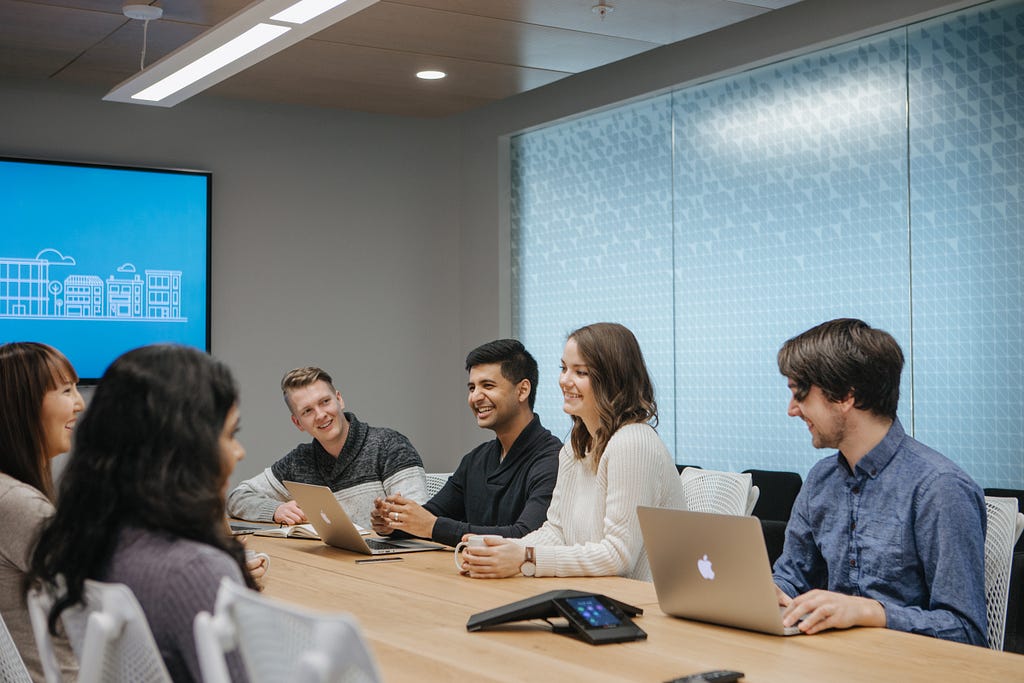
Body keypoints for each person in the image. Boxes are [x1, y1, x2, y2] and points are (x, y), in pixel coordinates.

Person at [28, 344, 258, 682]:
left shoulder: (77, 545)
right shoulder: (193, 571)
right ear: (185, 448)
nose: (240, 452)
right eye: (230, 434)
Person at [772, 318, 987, 646]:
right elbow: (792, 578)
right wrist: (767, 593)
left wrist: (872, 612)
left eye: (800, 394)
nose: (792, 410)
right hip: (828, 661)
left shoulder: (939, 489)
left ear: (845, 395)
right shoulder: (821, 480)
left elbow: (966, 631)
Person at [459, 323, 686, 580]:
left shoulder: (633, 443)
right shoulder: (574, 448)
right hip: (597, 597)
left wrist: (526, 558)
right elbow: (557, 531)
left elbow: (618, 555)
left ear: (613, 379)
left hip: (644, 606)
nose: (564, 381)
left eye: (580, 372)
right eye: (564, 368)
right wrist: (503, 549)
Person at [370, 339, 560, 547]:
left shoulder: (553, 459)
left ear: (522, 390)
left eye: (487, 386)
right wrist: (394, 522)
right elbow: (431, 515)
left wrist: (432, 526)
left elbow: (527, 535)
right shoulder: (476, 459)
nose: (475, 397)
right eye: (471, 388)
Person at [226, 366, 427, 528]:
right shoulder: (298, 461)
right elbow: (237, 498)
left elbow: (418, 519)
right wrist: (275, 510)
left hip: (390, 566)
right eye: (307, 411)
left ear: (339, 399)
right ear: (298, 423)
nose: (320, 414)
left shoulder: (389, 445)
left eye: (325, 402)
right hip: (327, 566)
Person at [0, 342, 81, 682]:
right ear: (24, 407)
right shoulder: (18, 504)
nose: (79, 403)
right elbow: (94, 602)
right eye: (66, 391)